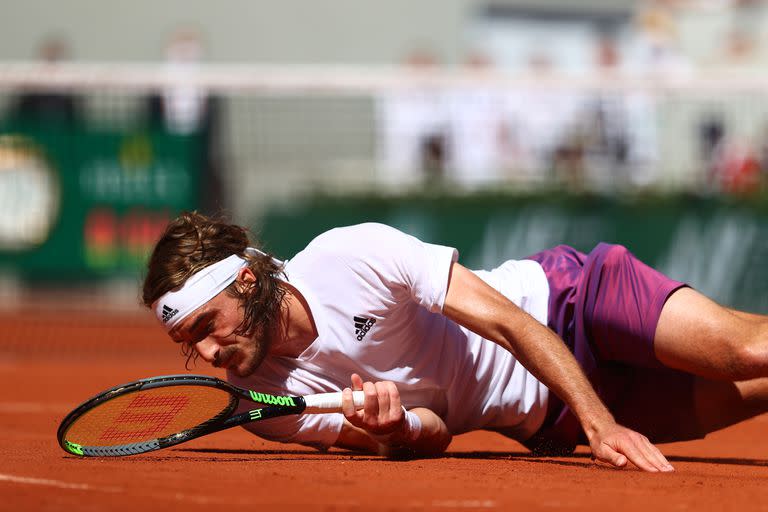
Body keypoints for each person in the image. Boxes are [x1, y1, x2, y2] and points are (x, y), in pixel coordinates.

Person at [142, 212, 768, 472]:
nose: (206, 352)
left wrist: (601, 423)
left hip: (570, 303)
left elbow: (511, 324)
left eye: (206, 324)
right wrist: (397, 430)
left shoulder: (349, 256)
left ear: (245, 280)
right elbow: (438, 428)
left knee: (747, 352)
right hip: (544, 419)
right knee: (756, 389)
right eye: (187, 341)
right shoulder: (262, 407)